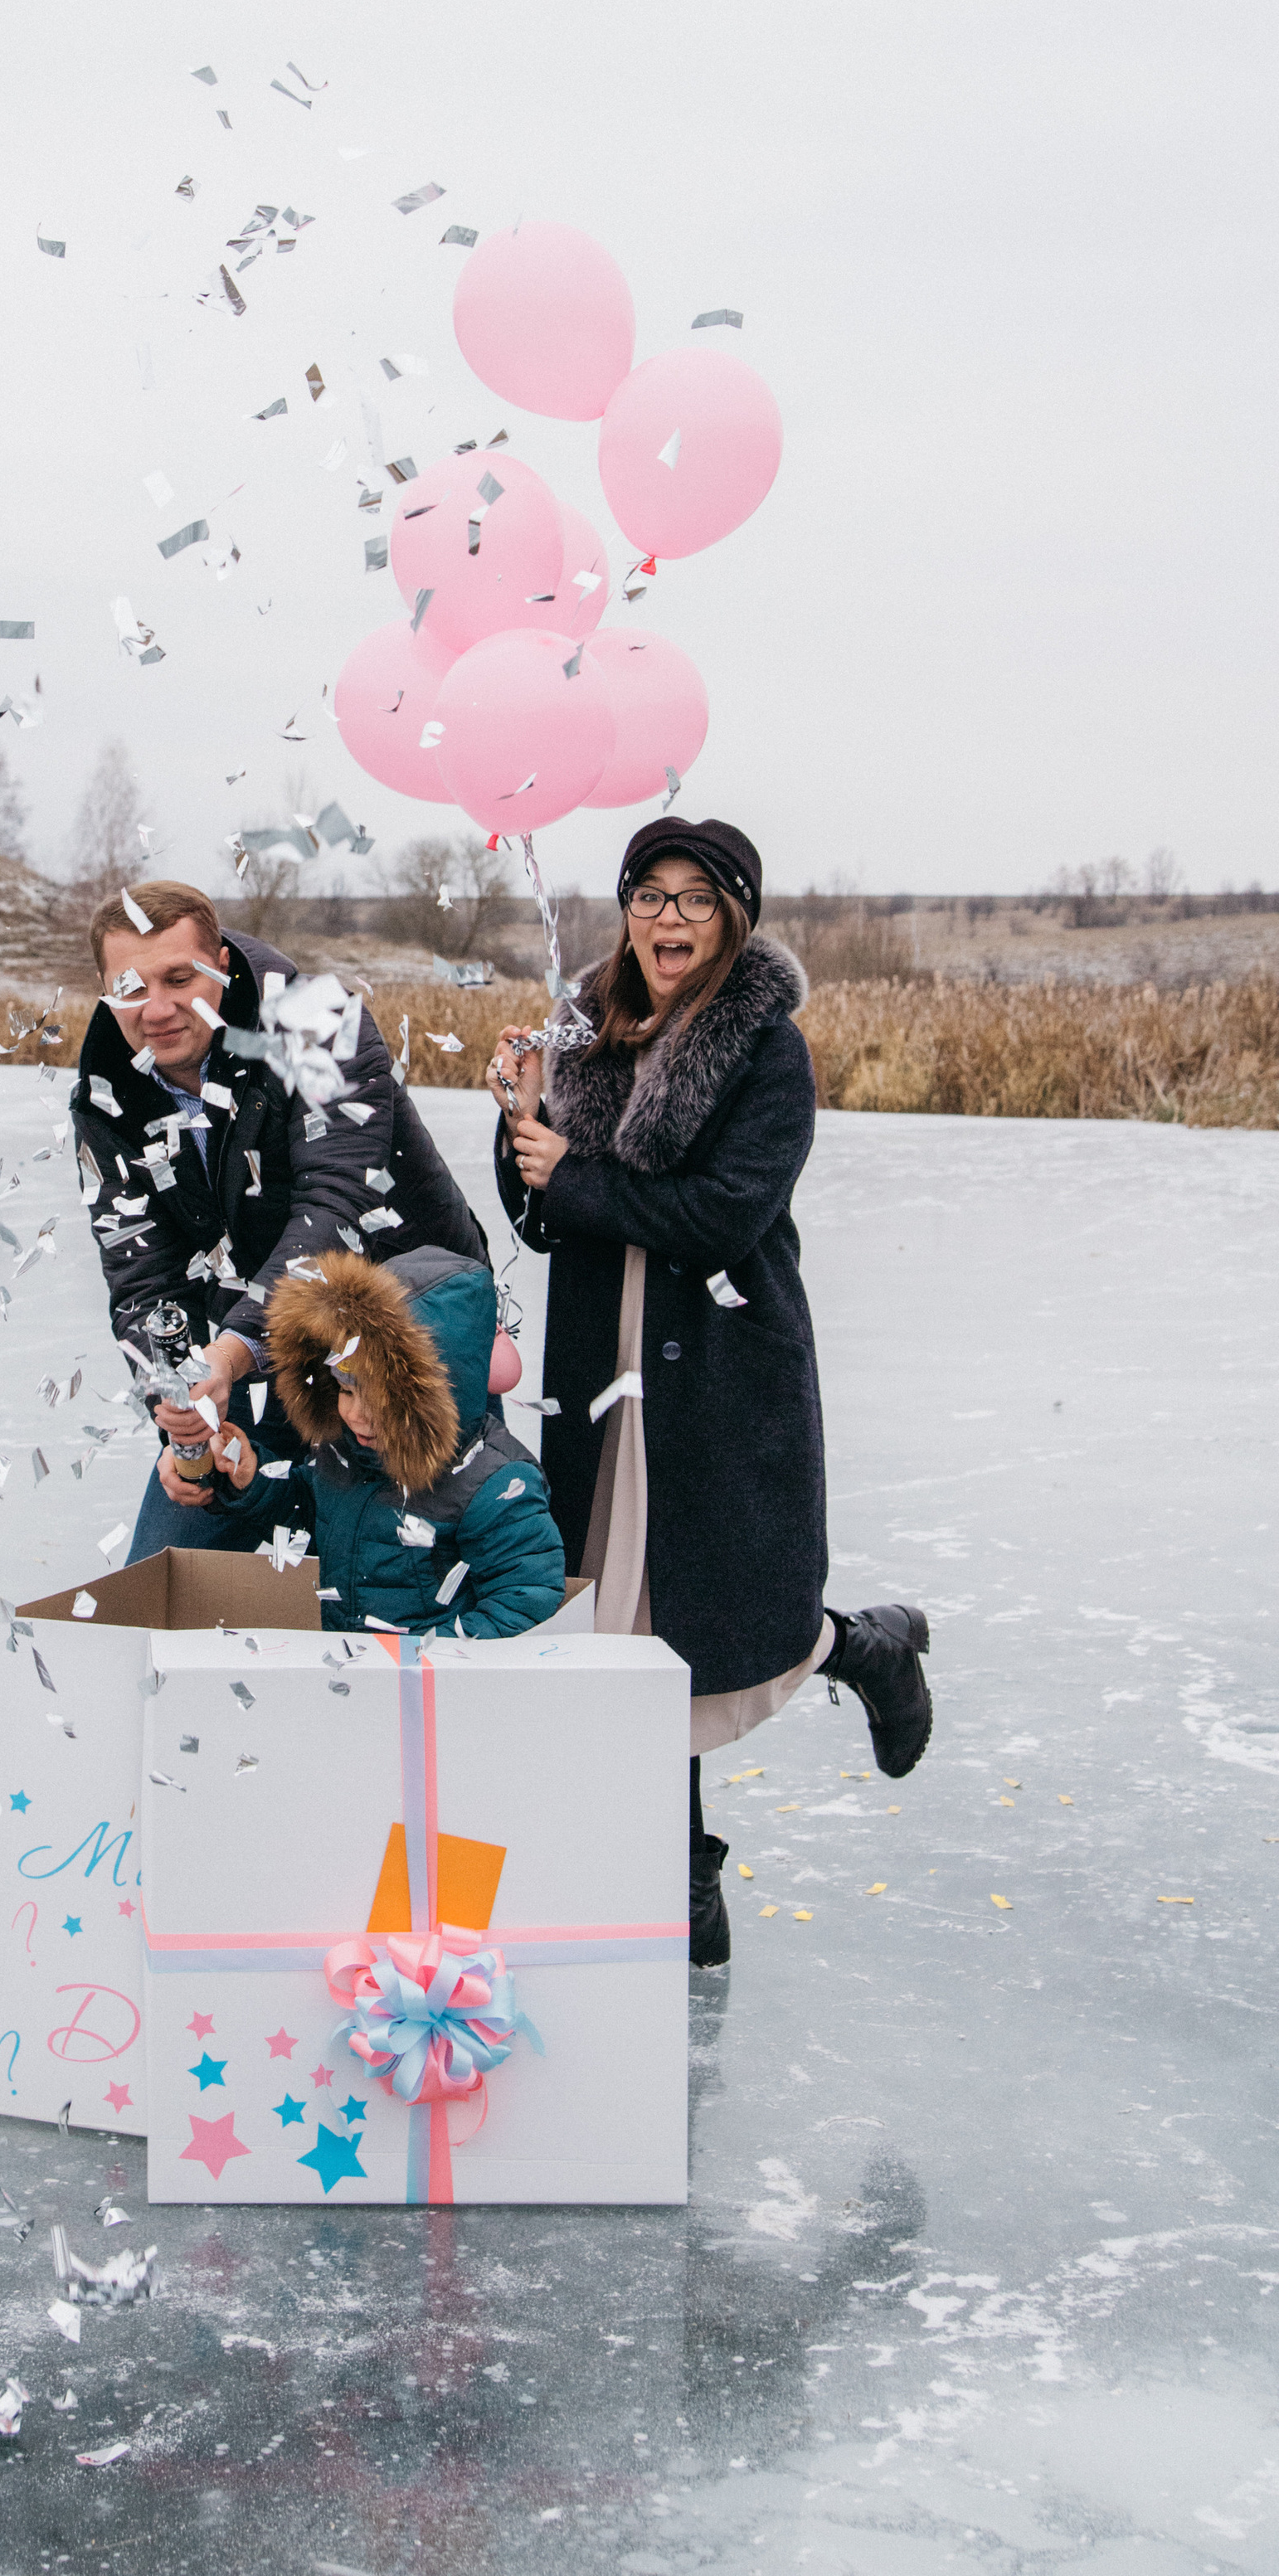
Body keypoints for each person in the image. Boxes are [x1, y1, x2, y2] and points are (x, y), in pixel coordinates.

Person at [489, 813, 933, 1971]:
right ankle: (685, 1868)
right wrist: (520, 1117)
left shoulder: (766, 1052)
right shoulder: (584, 1034)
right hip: (602, 1369)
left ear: (733, 918)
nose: (669, 917)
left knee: (709, 1609)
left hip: (718, 1365)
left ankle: (860, 1650)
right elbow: (542, 1218)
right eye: (650, 894)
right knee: (627, 1622)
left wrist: (572, 1174)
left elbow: (723, 1217)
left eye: (696, 897)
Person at [72, 878, 489, 1563]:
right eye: (130, 987)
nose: (158, 1008)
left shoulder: (322, 1025)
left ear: (222, 966)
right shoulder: (105, 1097)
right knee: (169, 1574)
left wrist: (230, 1354)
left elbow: (336, 1211)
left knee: (398, 1585)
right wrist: (184, 1413)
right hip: (252, 1353)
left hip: (399, 1340)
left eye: (180, 978)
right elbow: (143, 1279)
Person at [179, 1247, 567, 1640]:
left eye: (380, 1400)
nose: (356, 1415)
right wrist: (254, 1479)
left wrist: (426, 1657)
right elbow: (315, 1516)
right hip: (358, 1664)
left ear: (434, 1398)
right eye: (346, 1391)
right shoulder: (347, 1452)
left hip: (433, 1673)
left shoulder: (495, 1488)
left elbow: (524, 1603)